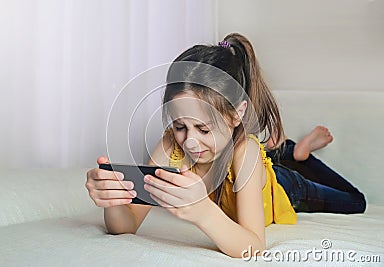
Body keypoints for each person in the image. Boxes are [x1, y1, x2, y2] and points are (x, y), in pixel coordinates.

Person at [85, 33, 364, 258]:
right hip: (251, 162)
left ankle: (298, 153)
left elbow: (253, 247)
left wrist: (203, 212)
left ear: (236, 114)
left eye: (204, 128)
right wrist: (114, 200)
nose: (190, 140)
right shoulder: (172, 145)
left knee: (355, 201)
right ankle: (284, 150)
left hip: (284, 186)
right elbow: (126, 225)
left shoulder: (246, 152)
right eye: (181, 126)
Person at [265, 126, 366, 214]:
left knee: (357, 201)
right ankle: (283, 152)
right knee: (357, 200)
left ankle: (285, 152)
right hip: (274, 177)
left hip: (275, 183)